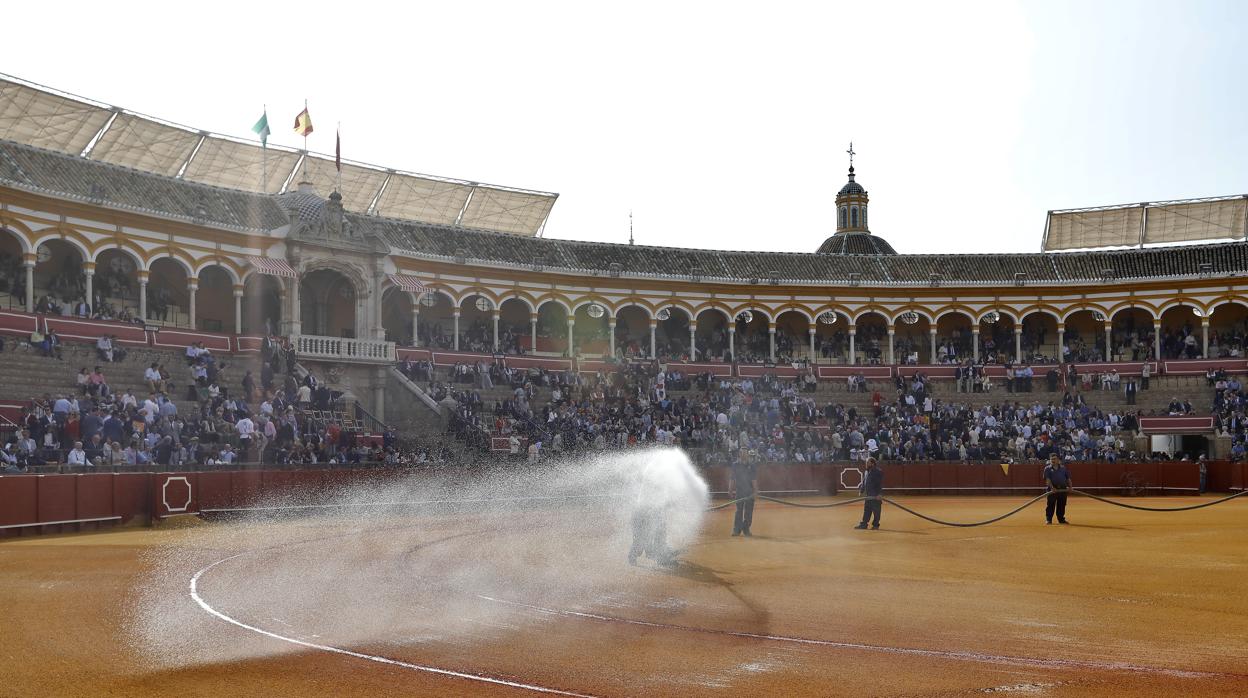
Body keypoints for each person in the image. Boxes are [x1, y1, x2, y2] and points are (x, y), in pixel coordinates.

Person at [730, 456, 757, 537]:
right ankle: (736, 530)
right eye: (742, 452)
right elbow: (732, 478)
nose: (744, 455)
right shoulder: (735, 465)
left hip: (750, 492)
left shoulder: (752, 465)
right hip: (739, 491)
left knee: (749, 511)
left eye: (745, 452)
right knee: (739, 510)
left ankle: (746, 529)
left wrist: (755, 491)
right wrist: (730, 489)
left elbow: (754, 479)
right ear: (739, 454)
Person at [855, 457, 883, 530]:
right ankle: (864, 524)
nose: (866, 464)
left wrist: (879, 494)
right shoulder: (867, 471)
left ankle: (876, 525)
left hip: (875, 496)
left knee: (876, 511)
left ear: (872, 463)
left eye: (867, 462)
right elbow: (864, 482)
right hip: (868, 495)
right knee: (867, 510)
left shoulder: (878, 471)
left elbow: (879, 484)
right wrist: (861, 490)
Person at [1043, 454, 1071, 524]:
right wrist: (1052, 488)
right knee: (1050, 504)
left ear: (1058, 460)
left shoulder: (1063, 468)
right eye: (1051, 459)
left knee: (1062, 505)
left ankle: (1061, 519)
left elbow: (1068, 478)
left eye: (1054, 459)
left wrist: (1070, 487)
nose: (1053, 460)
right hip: (1052, 490)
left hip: (1063, 489)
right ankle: (1049, 519)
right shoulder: (1047, 469)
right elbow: (1048, 479)